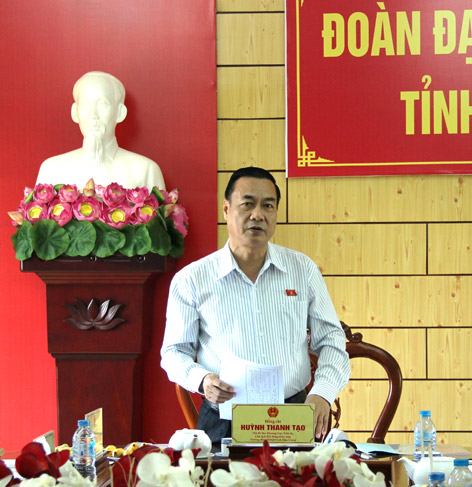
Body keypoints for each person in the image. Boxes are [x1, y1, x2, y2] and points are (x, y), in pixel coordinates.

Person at [161, 166, 350, 443]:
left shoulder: (303, 270)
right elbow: (174, 352)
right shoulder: (192, 279)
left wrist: (322, 392)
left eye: (268, 206)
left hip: (292, 417)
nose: (258, 215)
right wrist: (202, 380)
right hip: (223, 420)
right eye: (247, 204)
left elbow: (332, 340)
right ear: (226, 209)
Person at [36, 71, 165, 191]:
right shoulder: (51, 170)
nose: (93, 114)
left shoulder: (146, 171)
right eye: (85, 104)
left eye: (102, 104)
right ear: (75, 112)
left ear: (120, 113)